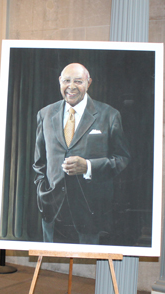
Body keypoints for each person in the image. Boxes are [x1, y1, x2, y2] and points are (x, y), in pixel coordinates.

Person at [33, 63, 131, 245]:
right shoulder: (45, 114)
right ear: (59, 82)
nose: (71, 86)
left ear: (89, 83)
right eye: (66, 81)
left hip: (90, 213)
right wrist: (42, 194)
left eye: (78, 81)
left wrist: (89, 166)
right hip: (52, 211)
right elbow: (39, 163)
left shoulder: (109, 115)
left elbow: (122, 159)